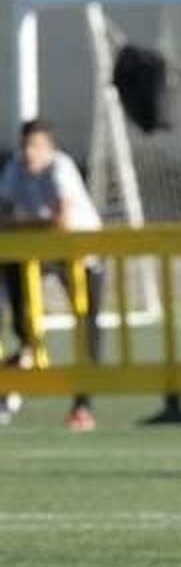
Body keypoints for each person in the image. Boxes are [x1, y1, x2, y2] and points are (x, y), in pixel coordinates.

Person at [0, 119, 104, 430]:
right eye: (25, 146)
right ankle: (27, 349)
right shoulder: (16, 168)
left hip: (82, 252)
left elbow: (63, 221)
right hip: (42, 250)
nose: (29, 153)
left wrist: (24, 226)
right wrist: (27, 228)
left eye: (36, 147)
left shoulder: (61, 168)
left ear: (50, 149)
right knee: (13, 266)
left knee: (87, 323)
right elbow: (3, 217)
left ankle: (83, 405)